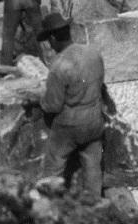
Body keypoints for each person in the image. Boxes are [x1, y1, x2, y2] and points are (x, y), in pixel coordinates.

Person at [37, 12, 106, 200]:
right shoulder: (93, 53)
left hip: (70, 125)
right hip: (95, 120)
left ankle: (51, 207)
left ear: (52, 38)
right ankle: (95, 206)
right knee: (92, 167)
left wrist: (38, 99)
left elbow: (53, 105)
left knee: (53, 166)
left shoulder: (59, 65)